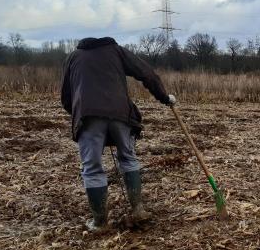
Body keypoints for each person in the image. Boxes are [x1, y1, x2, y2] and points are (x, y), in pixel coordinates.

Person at [61, 37, 176, 231]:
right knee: (128, 158)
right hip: (120, 113)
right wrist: (164, 97)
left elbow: (66, 97)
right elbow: (146, 73)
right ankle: (138, 210)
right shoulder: (116, 51)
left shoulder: (73, 57)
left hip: (87, 115)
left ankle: (100, 223)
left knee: (92, 167)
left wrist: (82, 112)